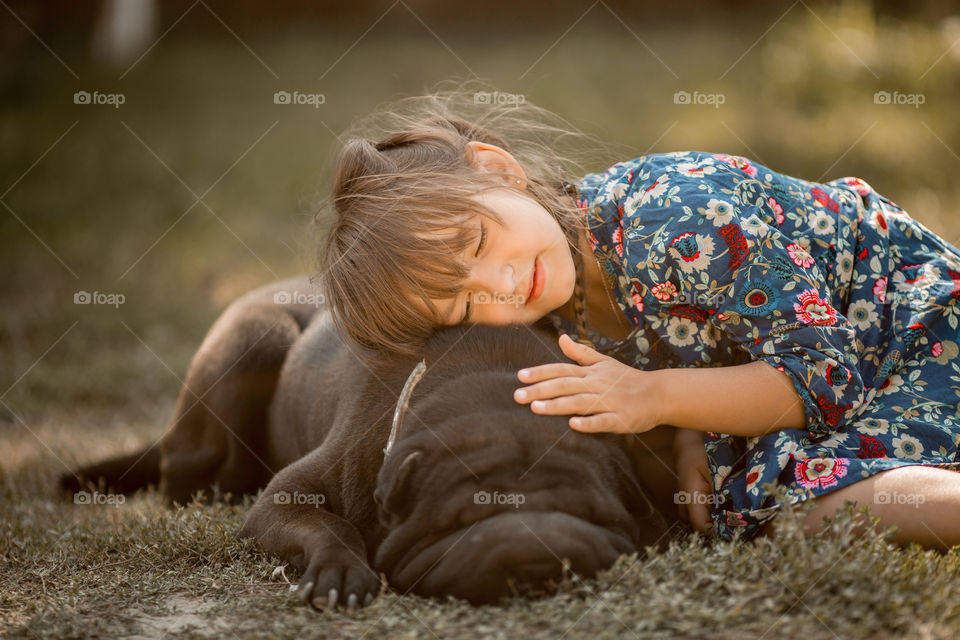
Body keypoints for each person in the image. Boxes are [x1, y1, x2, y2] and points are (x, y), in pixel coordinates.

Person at [316, 86, 960, 549]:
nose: (503, 287)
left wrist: (655, 398)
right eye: (464, 303)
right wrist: (689, 431)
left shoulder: (675, 219)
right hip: (840, 363)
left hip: (917, 324)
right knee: (759, 501)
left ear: (496, 170)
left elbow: (824, 376)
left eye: (477, 243)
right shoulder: (556, 309)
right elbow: (709, 345)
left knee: (793, 496)